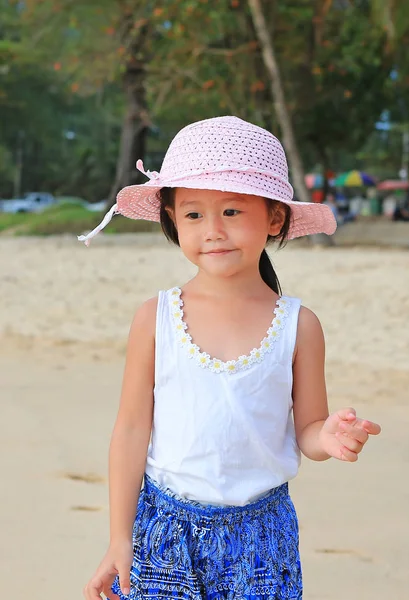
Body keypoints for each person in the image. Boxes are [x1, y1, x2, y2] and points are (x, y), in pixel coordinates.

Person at [79, 116, 381, 600]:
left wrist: (328, 435)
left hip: (263, 538)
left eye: (233, 212)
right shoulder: (154, 318)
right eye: (194, 215)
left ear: (275, 218)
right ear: (173, 220)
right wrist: (119, 538)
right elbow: (132, 430)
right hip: (162, 531)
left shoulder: (299, 326)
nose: (213, 231)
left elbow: (308, 430)